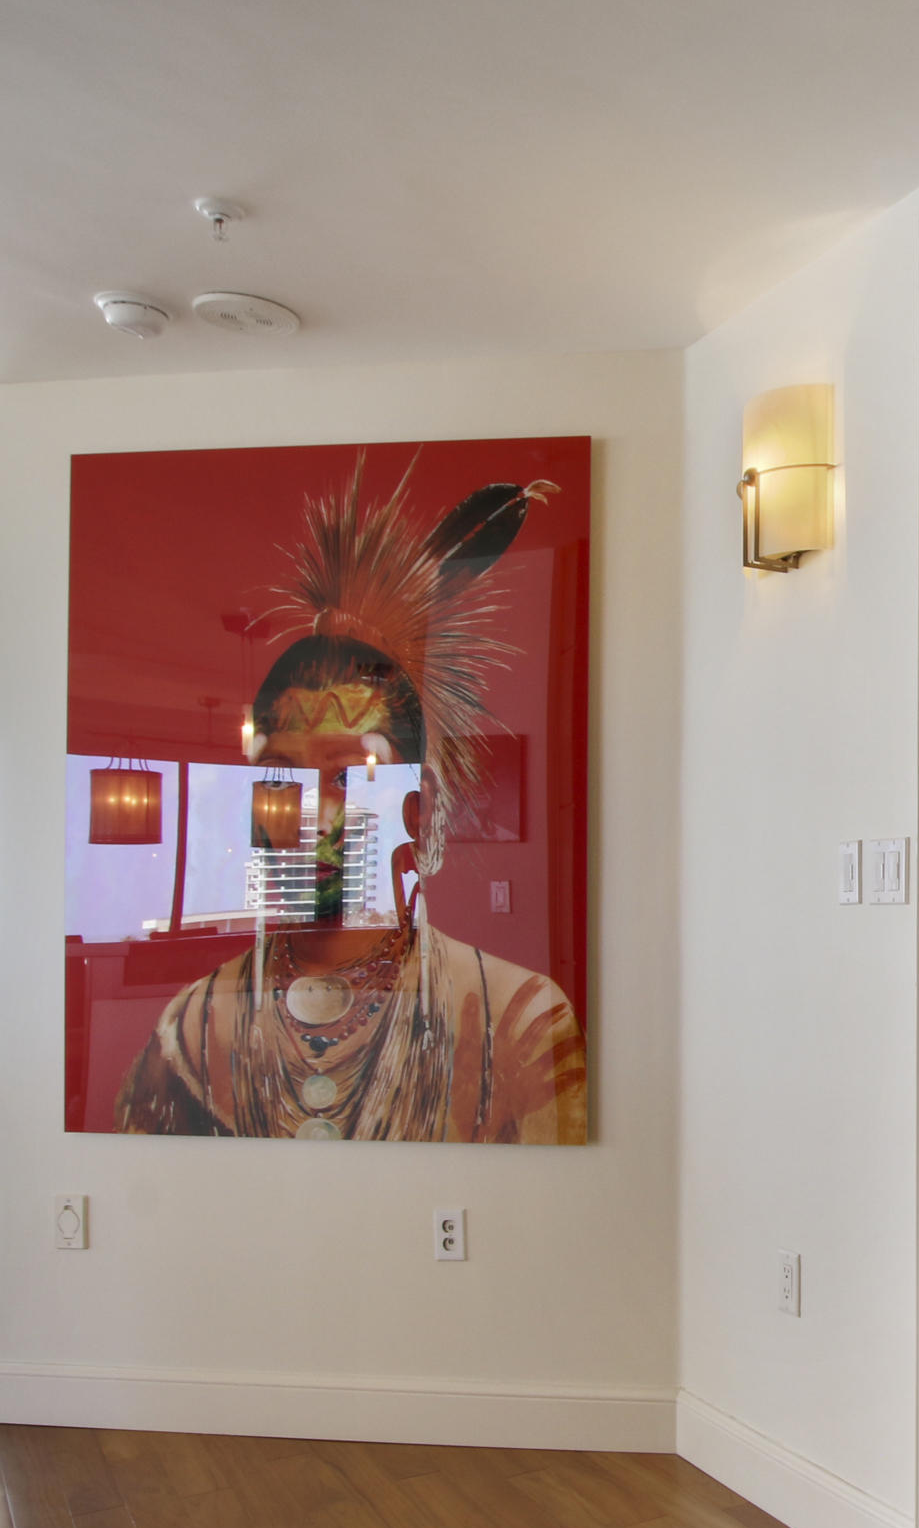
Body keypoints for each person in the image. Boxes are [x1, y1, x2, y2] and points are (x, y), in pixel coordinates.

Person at [115, 466, 588, 1143]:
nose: (310, 812)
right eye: (281, 778)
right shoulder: (191, 1033)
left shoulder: (518, 1021)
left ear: (416, 809)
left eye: (346, 777)